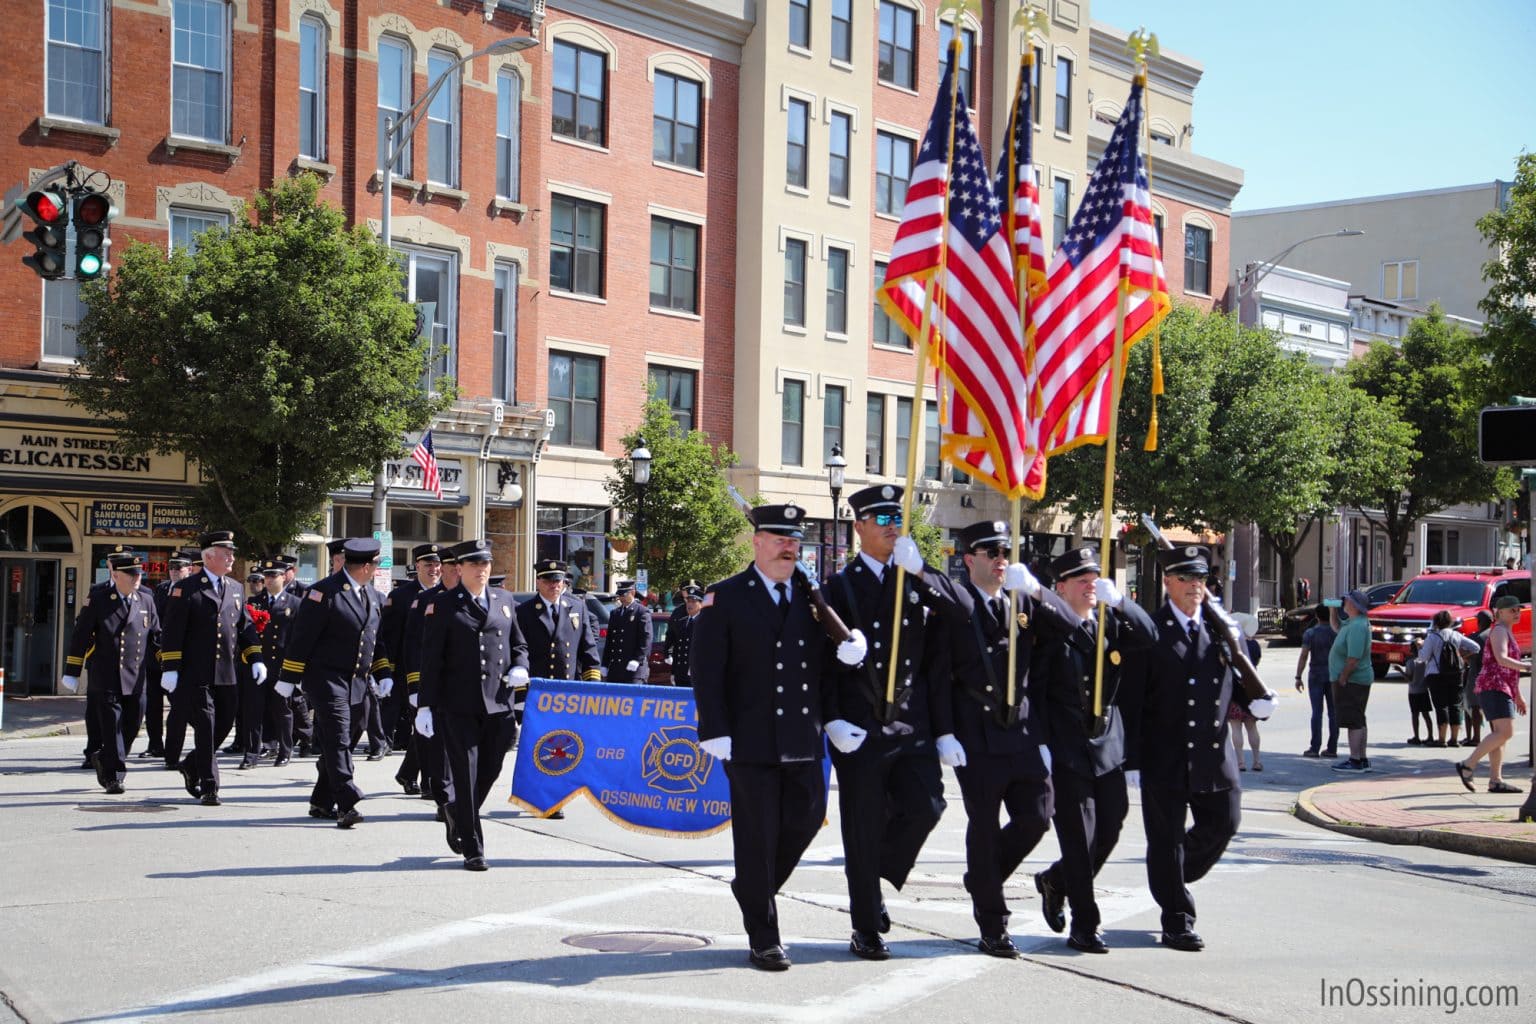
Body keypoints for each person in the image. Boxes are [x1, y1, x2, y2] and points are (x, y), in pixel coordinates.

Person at [691, 503, 864, 971]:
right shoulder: (724, 597)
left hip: (801, 738)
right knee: (756, 837)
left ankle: (752, 887)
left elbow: (821, 671)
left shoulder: (811, 598)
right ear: (757, 543)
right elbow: (707, 671)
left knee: (808, 818)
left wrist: (831, 717)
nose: (790, 547)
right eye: (780, 538)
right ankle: (764, 937)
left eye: (795, 540)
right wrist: (714, 730)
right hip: (749, 741)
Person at [822, 484, 971, 961]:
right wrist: (831, 721)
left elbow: (963, 613)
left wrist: (923, 570)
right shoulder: (839, 589)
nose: (890, 527)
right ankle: (866, 925)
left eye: (895, 519)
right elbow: (818, 665)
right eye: (880, 519)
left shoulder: (914, 578)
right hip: (861, 727)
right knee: (861, 828)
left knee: (928, 806)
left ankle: (877, 872)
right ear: (859, 527)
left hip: (910, 723)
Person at [935, 521, 1073, 958]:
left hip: (1023, 732)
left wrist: (1036, 590)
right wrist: (943, 732)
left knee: (1037, 817)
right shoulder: (956, 607)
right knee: (984, 828)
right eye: (990, 552)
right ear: (968, 558)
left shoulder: (1022, 604)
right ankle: (993, 924)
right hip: (975, 734)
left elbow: (1069, 625)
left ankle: (982, 878)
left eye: (1004, 553)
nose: (1000, 560)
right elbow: (936, 677)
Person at [1127, 544, 1270, 952]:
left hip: (1213, 751)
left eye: (1201, 579)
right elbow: (1132, 701)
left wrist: (1257, 701)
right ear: (1167, 581)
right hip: (1164, 755)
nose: (1195, 586)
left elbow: (1239, 681)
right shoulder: (1150, 632)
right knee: (1166, 839)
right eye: (1186, 578)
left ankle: (1169, 876)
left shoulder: (1223, 630)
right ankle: (1177, 917)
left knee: (1225, 822)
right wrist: (1132, 760)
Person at [1032, 544, 1155, 954]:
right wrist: (1042, 745)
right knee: (1079, 838)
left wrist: (1121, 601)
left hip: (1107, 746)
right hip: (1067, 748)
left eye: (1095, 579)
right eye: (1082, 581)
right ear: (1060, 587)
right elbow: (1037, 692)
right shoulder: (1046, 631)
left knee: (1111, 826)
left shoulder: (1110, 624)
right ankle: (1086, 923)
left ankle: (1056, 880)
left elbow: (1149, 636)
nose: (1091, 586)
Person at [414, 539, 530, 871]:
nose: (481, 571)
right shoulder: (444, 605)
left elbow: (517, 643)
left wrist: (521, 665)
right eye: (475, 565)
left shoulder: (504, 599)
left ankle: (457, 812)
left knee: (491, 769)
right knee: (464, 775)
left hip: (499, 703)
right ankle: (473, 847)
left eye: (486, 565)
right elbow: (431, 658)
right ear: (459, 568)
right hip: (459, 704)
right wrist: (425, 706)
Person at [275, 538, 389, 827]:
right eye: (376, 564)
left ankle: (321, 800)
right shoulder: (324, 593)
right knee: (337, 738)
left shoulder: (373, 595)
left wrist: (383, 672)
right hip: (326, 679)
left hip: (357, 682)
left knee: (345, 736)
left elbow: (375, 641)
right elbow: (301, 639)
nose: (377, 568)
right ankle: (346, 802)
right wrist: (289, 678)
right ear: (366, 566)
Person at [158, 531, 266, 806]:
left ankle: (191, 764)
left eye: (232, 552)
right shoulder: (187, 588)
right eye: (225, 552)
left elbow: (244, 627)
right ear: (209, 556)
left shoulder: (235, 588)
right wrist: (170, 667)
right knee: (206, 728)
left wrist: (255, 657)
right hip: (196, 673)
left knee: (225, 723)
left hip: (226, 672)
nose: (231, 557)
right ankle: (209, 785)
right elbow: (172, 631)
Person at [62, 550, 161, 794]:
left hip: (136, 677)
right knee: (112, 725)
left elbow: (157, 637)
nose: (137, 577)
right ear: (116, 575)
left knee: (132, 724)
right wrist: (72, 670)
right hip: (106, 676)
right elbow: (81, 635)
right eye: (131, 574)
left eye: (139, 573)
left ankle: (105, 757)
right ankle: (114, 776)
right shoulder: (99, 599)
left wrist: (171, 667)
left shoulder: (146, 599)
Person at [381, 543, 443, 794]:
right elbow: (391, 639)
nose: (434, 569)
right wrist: (387, 673)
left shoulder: (444, 593)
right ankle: (429, 782)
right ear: (416, 566)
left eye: (437, 565)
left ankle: (408, 773)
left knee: (428, 726)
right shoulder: (401, 596)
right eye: (428, 565)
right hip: (408, 673)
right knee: (426, 725)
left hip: (437, 673)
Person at [1454, 595, 1530, 795]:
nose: (1516, 613)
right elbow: (1501, 659)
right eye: (1512, 610)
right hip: (1493, 686)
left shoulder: (1507, 631)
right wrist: (1528, 666)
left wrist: (1518, 695)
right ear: (1500, 612)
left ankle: (1495, 780)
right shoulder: (1499, 631)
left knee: (1500, 735)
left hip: (1501, 687)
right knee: (1505, 732)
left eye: (1518, 610)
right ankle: (1467, 765)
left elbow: (1510, 671)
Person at [244, 559, 300, 768]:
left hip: (281, 666)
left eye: (273, 575)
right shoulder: (254, 602)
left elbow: (298, 638)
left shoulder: (294, 603)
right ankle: (251, 754)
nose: (268, 579)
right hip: (259, 664)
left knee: (282, 710)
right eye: (266, 576)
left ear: (284, 577)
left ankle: (285, 750)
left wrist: (296, 670)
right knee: (254, 711)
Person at [138, 549, 194, 760]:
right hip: (156, 656)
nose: (173, 571)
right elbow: (153, 622)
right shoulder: (160, 590)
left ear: (189, 569)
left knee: (180, 705)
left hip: (180, 659)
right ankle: (155, 745)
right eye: (171, 567)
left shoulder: (193, 590)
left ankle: (176, 747)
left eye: (178, 567)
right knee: (153, 704)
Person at [1415, 610, 1480, 748]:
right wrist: (1462, 657)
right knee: (1455, 705)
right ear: (1450, 622)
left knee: (1441, 706)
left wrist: (1420, 646)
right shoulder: (1456, 635)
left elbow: (1423, 658)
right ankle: (1454, 739)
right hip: (1456, 674)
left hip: (1436, 675)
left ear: (1436, 623)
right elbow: (1476, 647)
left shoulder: (1432, 637)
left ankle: (1442, 739)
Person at [1328, 590, 1376, 773]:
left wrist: (1343, 676)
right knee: (1358, 718)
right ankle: (1361, 758)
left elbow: (1353, 657)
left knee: (1352, 720)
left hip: (1353, 680)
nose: (1344, 601)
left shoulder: (1358, 626)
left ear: (1354, 605)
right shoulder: (1353, 622)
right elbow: (1337, 628)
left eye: (1346, 600)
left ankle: (1355, 759)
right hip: (1354, 679)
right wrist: (1333, 611)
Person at [1294, 604, 1339, 758]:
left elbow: (1304, 656)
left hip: (1316, 674)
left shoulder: (1311, 633)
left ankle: (1314, 747)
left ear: (1317, 616)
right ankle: (1332, 748)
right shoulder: (1336, 632)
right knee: (1333, 712)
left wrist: (1298, 676)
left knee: (1317, 712)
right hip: (1333, 674)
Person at [604, 580, 653, 682]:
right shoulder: (615, 613)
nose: (622, 598)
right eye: (620, 595)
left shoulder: (641, 612)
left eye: (624, 595)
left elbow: (646, 639)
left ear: (633, 593)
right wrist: (605, 663)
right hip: (616, 668)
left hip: (634, 669)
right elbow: (610, 641)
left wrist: (637, 659)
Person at [1462, 610, 1494, 747]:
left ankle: (1476, 737)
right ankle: (1496, 734)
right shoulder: (1494, 635)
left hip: (1476, 673)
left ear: (1479, 622)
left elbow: (1464, 654)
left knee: (1475, 707)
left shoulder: (1474, 637)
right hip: (1492, 675)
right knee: (1493, 707)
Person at [665, 582, 705, 686]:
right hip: (680, 673)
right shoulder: (682, 622)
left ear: (701, 604)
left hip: (697, 674)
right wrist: (673, 671)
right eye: (688, 601)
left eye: (693, 601)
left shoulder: (706, 623)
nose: (689, 604)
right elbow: (677, 649)